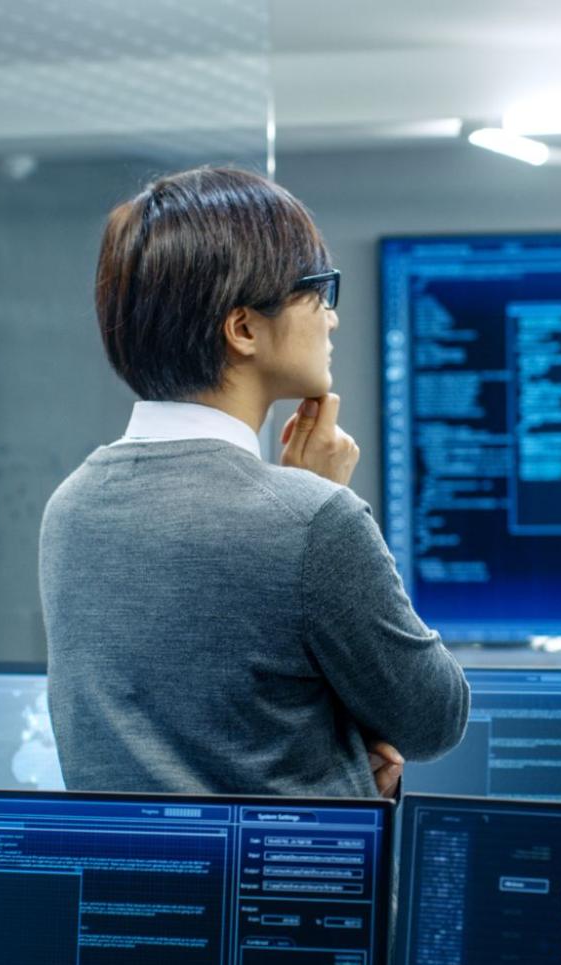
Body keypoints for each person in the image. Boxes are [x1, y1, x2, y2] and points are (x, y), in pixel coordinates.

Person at [40, 166, 469, 800]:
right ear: (243, 329)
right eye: (318, 292)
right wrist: (323, 504)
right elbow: (434, 721)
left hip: (130, 895)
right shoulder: (313, 522)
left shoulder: (71, 506)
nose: (332, 319)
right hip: (287, 894)